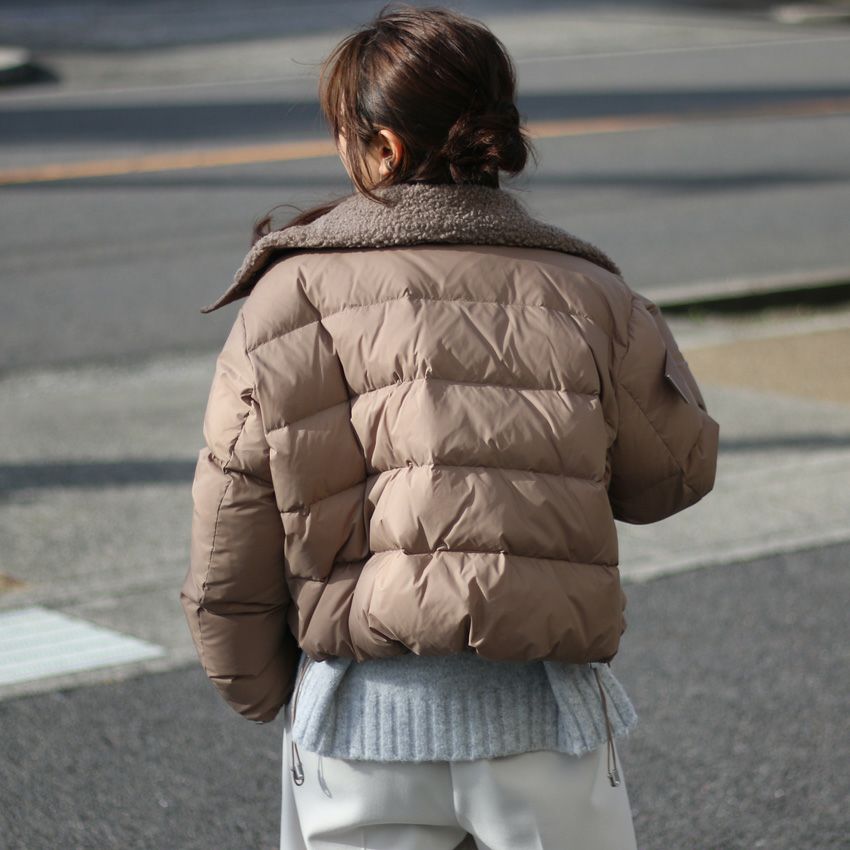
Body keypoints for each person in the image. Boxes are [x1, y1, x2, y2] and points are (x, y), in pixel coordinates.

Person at [180, 4, 720, 849]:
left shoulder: (290, 297)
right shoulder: (588, 292)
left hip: (357, 721)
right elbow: (674, 479)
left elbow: (232, 524)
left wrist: (256, 684)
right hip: (543, 718)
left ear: (384, 148)